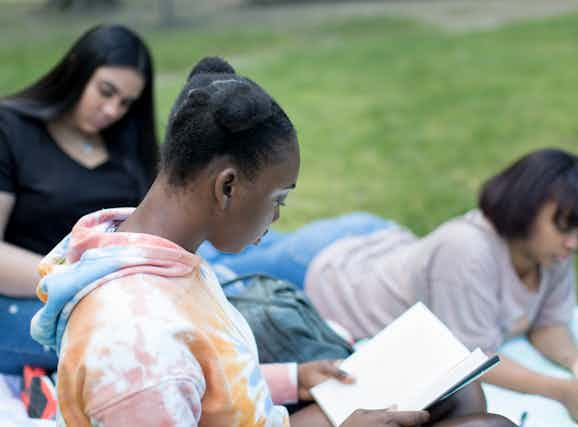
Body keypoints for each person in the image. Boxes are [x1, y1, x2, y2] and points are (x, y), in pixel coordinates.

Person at [29, 57, 514, 427]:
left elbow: (208, 382)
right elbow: (170, 379)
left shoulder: (153, 251)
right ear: (227, 186)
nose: (278, 215)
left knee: (458, 392)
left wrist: (292, 379)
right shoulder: (140, 349)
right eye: (278, 198)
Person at [201, 148, 578, 427]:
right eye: (565, 229)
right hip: (325, 267)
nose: (574, 244)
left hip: (378, 242)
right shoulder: (468, 249)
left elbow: (549, 325)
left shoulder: (552, 252)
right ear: (527, 208)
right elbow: (474, 356)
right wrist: (561, 390)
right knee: (210, 253)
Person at [0, 24, 158, 374]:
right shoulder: (10, 129)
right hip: (28, 297)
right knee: (139, 348)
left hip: (128, 292)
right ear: (76, 68)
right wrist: (85, 280)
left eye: (126, 103)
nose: (112, 110)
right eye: (105, 91)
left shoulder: (128, 146)